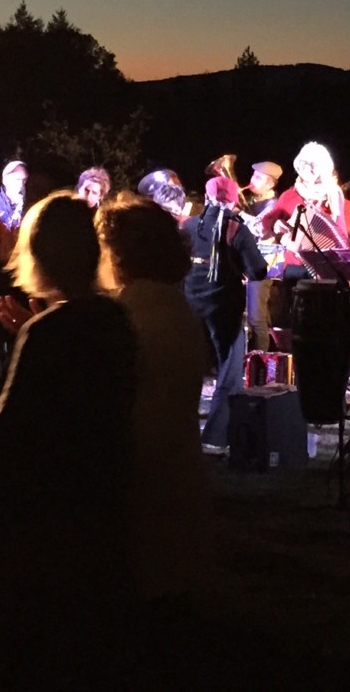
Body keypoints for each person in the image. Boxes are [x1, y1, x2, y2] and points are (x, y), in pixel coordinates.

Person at [0, 192, 138, 661]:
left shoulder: (49, 330)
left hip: (44, 509)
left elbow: (10, 428)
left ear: (38, 252)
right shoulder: (115, 319)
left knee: (34, 642)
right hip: (102, 502)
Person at [97, 197, 211, 600]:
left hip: (141, 486)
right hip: (179, 478)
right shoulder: (175, 308)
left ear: (120, 253)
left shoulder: (131, 315)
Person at [184, 177, 269, 451]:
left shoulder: (187, 226)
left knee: (190, 372)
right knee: (229, 374)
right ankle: (214, 438)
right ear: (233, 201)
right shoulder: (237, 230)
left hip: (190, 306)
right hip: (225, 311)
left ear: (206, 199)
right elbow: (258, 271)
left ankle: (182, 435)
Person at [258, 142, 350, 278]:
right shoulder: (290, 195)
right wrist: (275, 224)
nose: (307, 170)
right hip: (294, 268)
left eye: (313, 165)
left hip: (327, 270)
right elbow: (267, 220)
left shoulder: (345, 205)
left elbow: (340, 240)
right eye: (303, 165)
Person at [243, 160, 283, 350]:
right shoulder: (251, 203)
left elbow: (260, 228)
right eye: (253, 175)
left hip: (264, 266)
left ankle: (262, 364)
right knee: (259, 317)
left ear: (271, 184)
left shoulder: (274, 205)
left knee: (256, 318)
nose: (253, 180)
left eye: (259, 178)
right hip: (250, 263)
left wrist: (237, 212)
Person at [0, 159, 27, 230]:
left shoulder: (29, 205)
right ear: (5, 180)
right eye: (17, 179)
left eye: (24, 180)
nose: (21, 184)